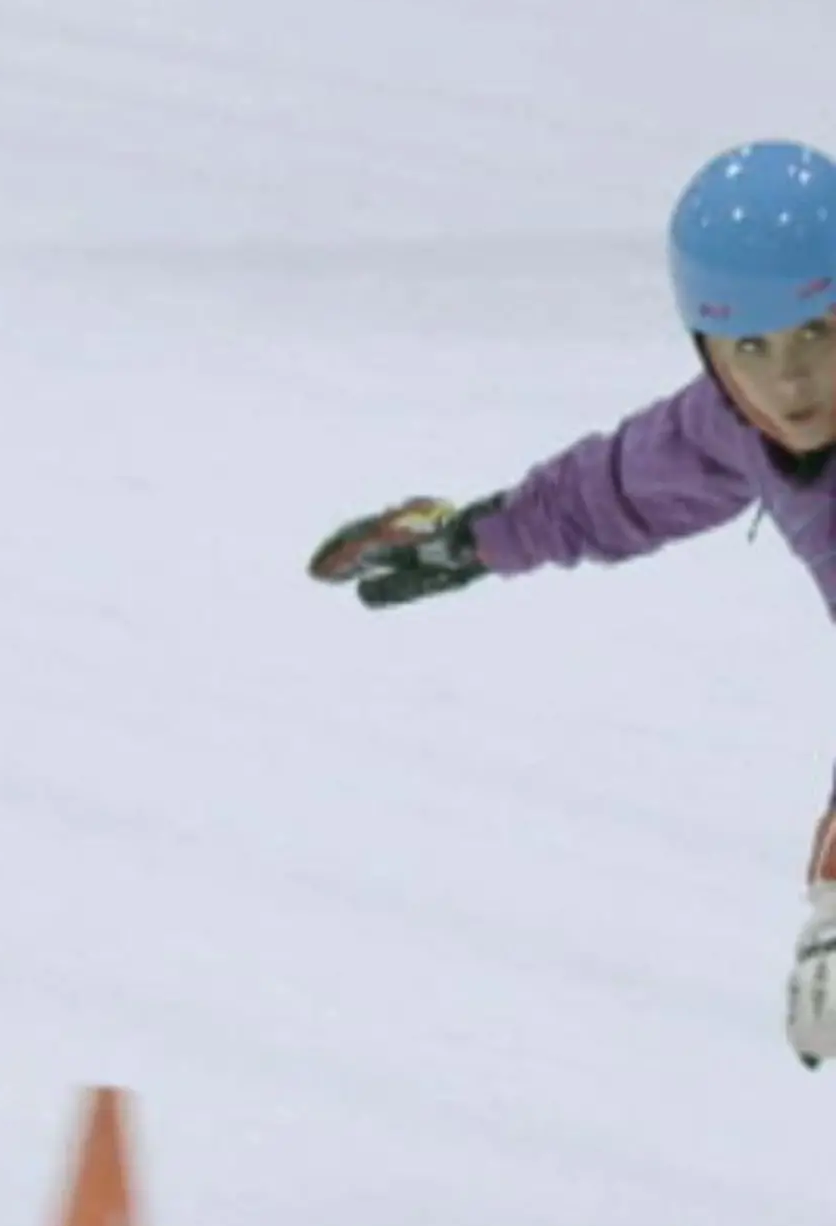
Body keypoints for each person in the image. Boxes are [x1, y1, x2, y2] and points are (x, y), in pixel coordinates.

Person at [308, 139, 836, 1069]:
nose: (790, 381)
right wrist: (480, 535)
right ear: (708, 353)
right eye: (751, 347)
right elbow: (621, 485)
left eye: (820, 334)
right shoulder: (735, 423)